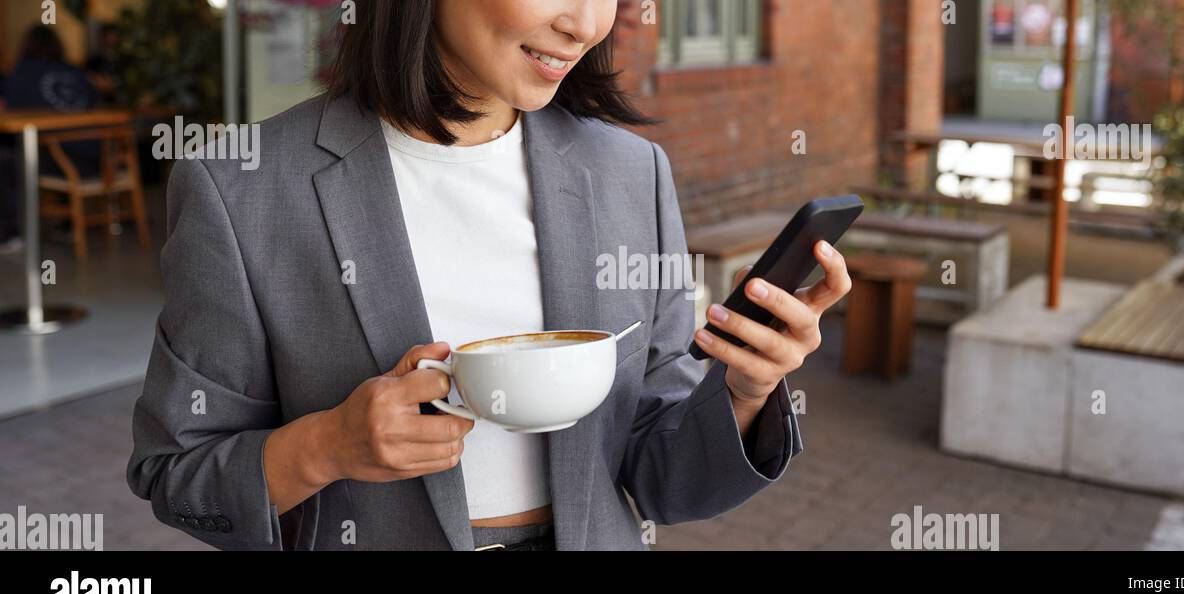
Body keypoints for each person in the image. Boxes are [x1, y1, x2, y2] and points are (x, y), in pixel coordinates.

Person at [127, 0, 850, 551]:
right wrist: (327, 445)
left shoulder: (630, 173)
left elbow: (659, 475)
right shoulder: (244, 188)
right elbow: (177, 474)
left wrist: (747, 391)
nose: (588, 23)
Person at [0, 25, 102, 252]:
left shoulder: (23, 73)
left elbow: (13, 111)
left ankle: (11, 233)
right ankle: (67, 224)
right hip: (98, 159)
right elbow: (97, 101)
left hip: (62, 162)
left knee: (8, 158)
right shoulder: (74, 71)